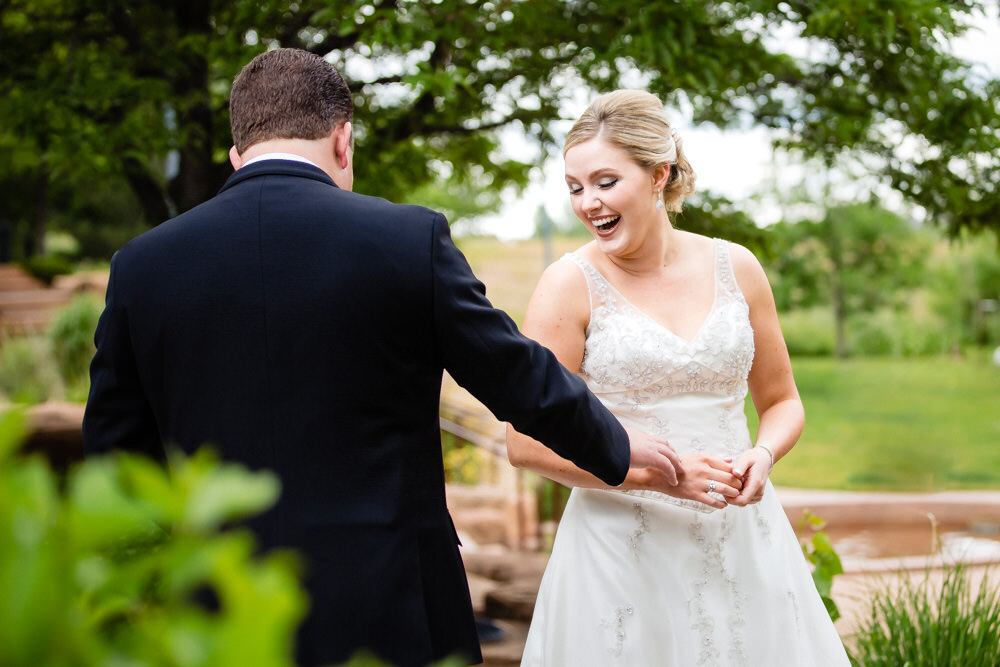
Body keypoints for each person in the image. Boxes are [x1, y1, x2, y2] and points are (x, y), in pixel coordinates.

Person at [82, 52, 684, 667]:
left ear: (237, 154)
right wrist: (615, 442)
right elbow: (512, 373)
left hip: (212, 611)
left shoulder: (143, 265)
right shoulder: (406, 239)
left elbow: (112, 454)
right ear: (344, 140)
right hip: (390, 599)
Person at [508, 90, 850, 665]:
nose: (589, 203)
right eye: (574, 187)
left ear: (659, 175)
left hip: (742, 541)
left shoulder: (736, 266)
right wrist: (656, 477)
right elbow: (523, 442)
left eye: (605, 182)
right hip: (620, 553)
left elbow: (782, 401)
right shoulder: (566, 286)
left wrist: (763, 455)